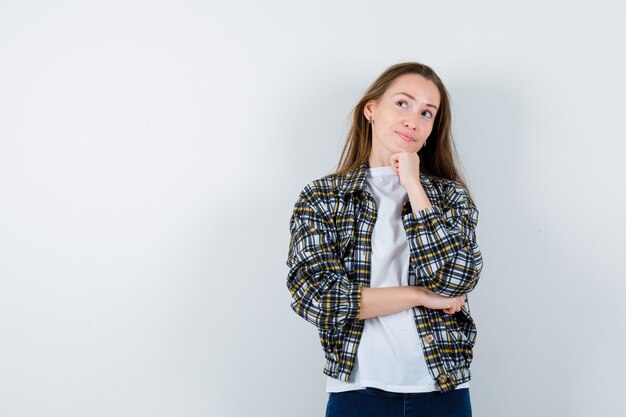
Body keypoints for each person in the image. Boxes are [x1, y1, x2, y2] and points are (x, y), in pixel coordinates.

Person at [285, 62, 483, 417]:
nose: (413, 120)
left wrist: (414, 185)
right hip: (358, 391)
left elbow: (456, 278)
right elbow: (319, 298)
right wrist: (422, 296)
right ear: (371, 109)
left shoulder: (450, 197)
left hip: (442, 389)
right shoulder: (322, 198)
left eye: (427, 112)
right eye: (402, 103)